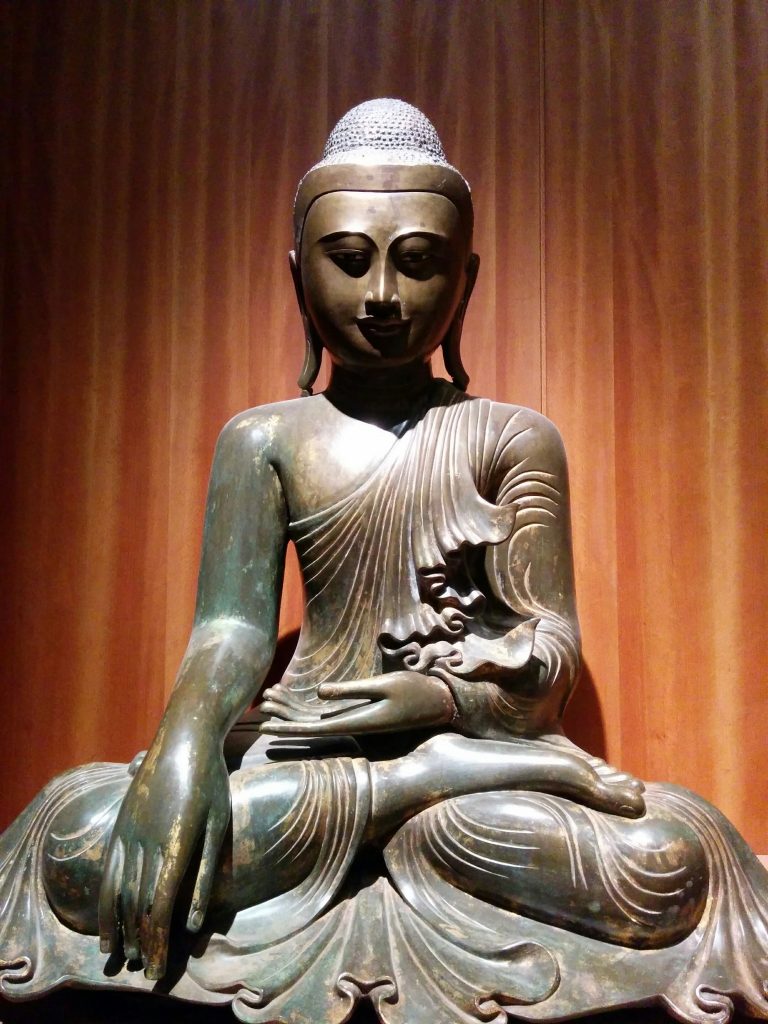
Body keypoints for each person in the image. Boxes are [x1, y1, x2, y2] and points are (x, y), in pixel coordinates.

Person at [1, 100, 767, 1024]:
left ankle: (422, 787)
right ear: (299, 276)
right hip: (302, 753)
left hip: (477, 771)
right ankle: (407, 790)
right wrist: (187, 746)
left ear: (465, 282)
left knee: (668, 864)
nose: (383, 297)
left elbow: (549, 653)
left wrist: (439, 702)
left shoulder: (512, 439)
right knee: (77, 840)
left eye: (418, 262)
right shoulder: (263, 440)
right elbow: (232, 629)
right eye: (351, 261)